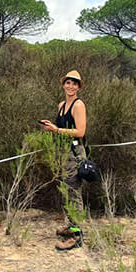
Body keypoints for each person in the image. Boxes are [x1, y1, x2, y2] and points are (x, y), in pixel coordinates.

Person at [38, 69, 88, 251]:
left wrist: (56, 130)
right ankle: (69, 226)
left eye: (74, 83)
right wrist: (50, 127)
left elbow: (80, 132)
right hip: (61, 153)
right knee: (66, 192)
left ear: (78, 87)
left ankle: (76, 235)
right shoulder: (61, 105)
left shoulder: (78, 105)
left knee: (74, 194)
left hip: (74, 154)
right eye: (68, 82)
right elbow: (61, 127)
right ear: (63, 84)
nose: (71, 86)